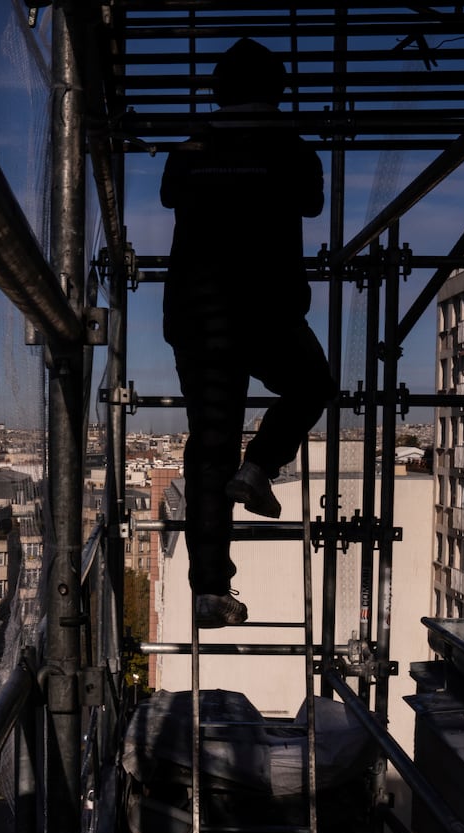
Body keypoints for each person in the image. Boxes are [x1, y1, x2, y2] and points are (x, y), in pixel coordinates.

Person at [161, 37, 335, 629]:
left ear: (218, 91)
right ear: (276, 91)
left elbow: (170, 194)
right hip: (265, 309)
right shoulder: (291, 149)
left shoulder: (190, 148)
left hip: (198, 314)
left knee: (209, 443)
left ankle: (210, 588)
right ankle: (259, 468)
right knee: (311, 385)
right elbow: (310, 203)